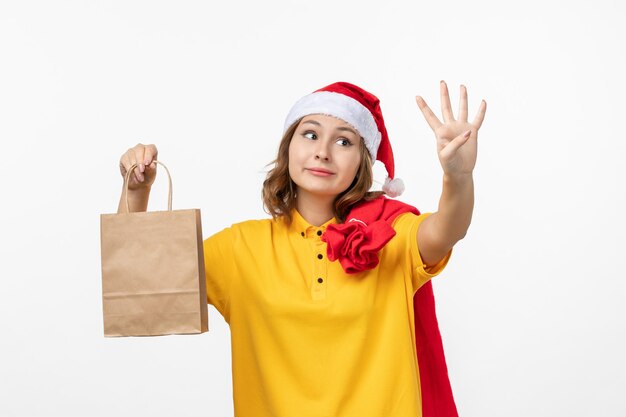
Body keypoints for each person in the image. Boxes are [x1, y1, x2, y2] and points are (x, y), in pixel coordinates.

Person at [117, 81, 487, 417]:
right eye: (310, 135)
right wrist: (136, 191)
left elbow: (447, 229)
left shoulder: (390, 236)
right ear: (288, 148)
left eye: (344, 141)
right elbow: (137, 286)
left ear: (363, 161)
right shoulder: (240, 247)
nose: (323, 152)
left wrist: (458, 176)